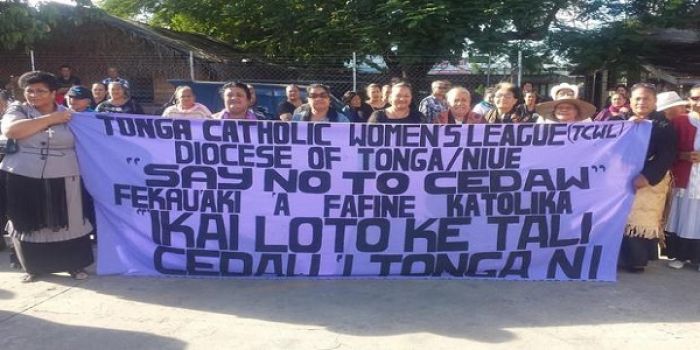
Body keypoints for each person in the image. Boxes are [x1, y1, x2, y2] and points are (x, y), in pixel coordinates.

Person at [0, 71, 94, 283]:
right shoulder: (18, 110)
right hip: (23, 173)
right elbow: (12, 130)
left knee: (68, 219)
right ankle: (33, 267)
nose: (34, 95)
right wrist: (52, 119)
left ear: (53, 93)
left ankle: (74, 264)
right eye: (29, 91)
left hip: (65, 173)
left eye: (41, 91)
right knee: (28, 220)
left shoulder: (71, 115)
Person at [619, 83, 677, 273]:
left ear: (654, 102)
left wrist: (647, 176)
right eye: (637, 98)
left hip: (647, 180)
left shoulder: (664, 125)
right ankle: (615, 257)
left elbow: (667, 155)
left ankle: (636, 260)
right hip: (617, 178)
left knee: (639, 220)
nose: (641, 102)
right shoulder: (618, 120)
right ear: (630, 100)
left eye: (646, 99)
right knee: (617, 218)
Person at [662, 92, 700, 270]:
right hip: (685, 178)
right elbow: (666, 150)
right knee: (683, 216)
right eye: (695, 98)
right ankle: (681, 254)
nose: (698, 102)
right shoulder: (680, 122)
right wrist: (683, 155)